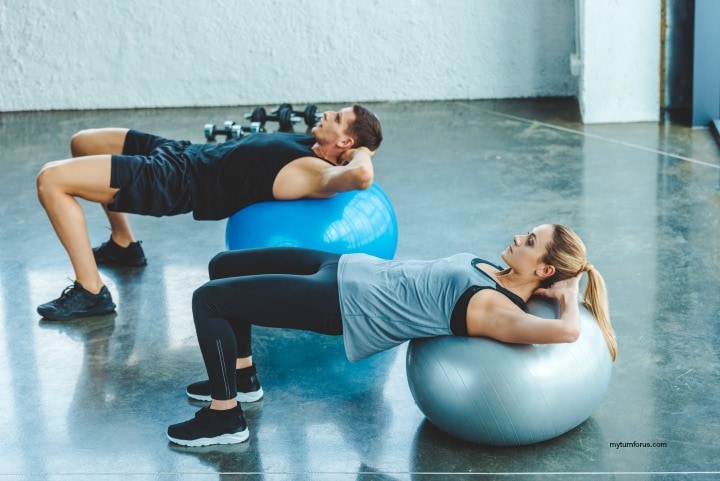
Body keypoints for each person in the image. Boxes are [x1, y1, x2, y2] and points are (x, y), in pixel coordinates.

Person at [166, 223, 617, 447]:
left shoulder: (493, 309)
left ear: (545, 270)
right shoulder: (493, 269)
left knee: (208, 300)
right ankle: (241, 378)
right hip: (346, 267)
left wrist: (567, 294)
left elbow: (566, 333)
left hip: (345, 303)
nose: (519, 236)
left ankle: (225, 417)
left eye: (531, 241)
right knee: (223, 265)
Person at [35, 105, 383, 321]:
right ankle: (123, 244)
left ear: (346, 143)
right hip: (182, 153)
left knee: (51, 180)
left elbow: (362, 176)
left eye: (338, 118)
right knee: (83, 141)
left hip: (175, 181)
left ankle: (91, 290)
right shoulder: (312, 144)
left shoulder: (317, 174)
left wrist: (363, 152)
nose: (327, 113)